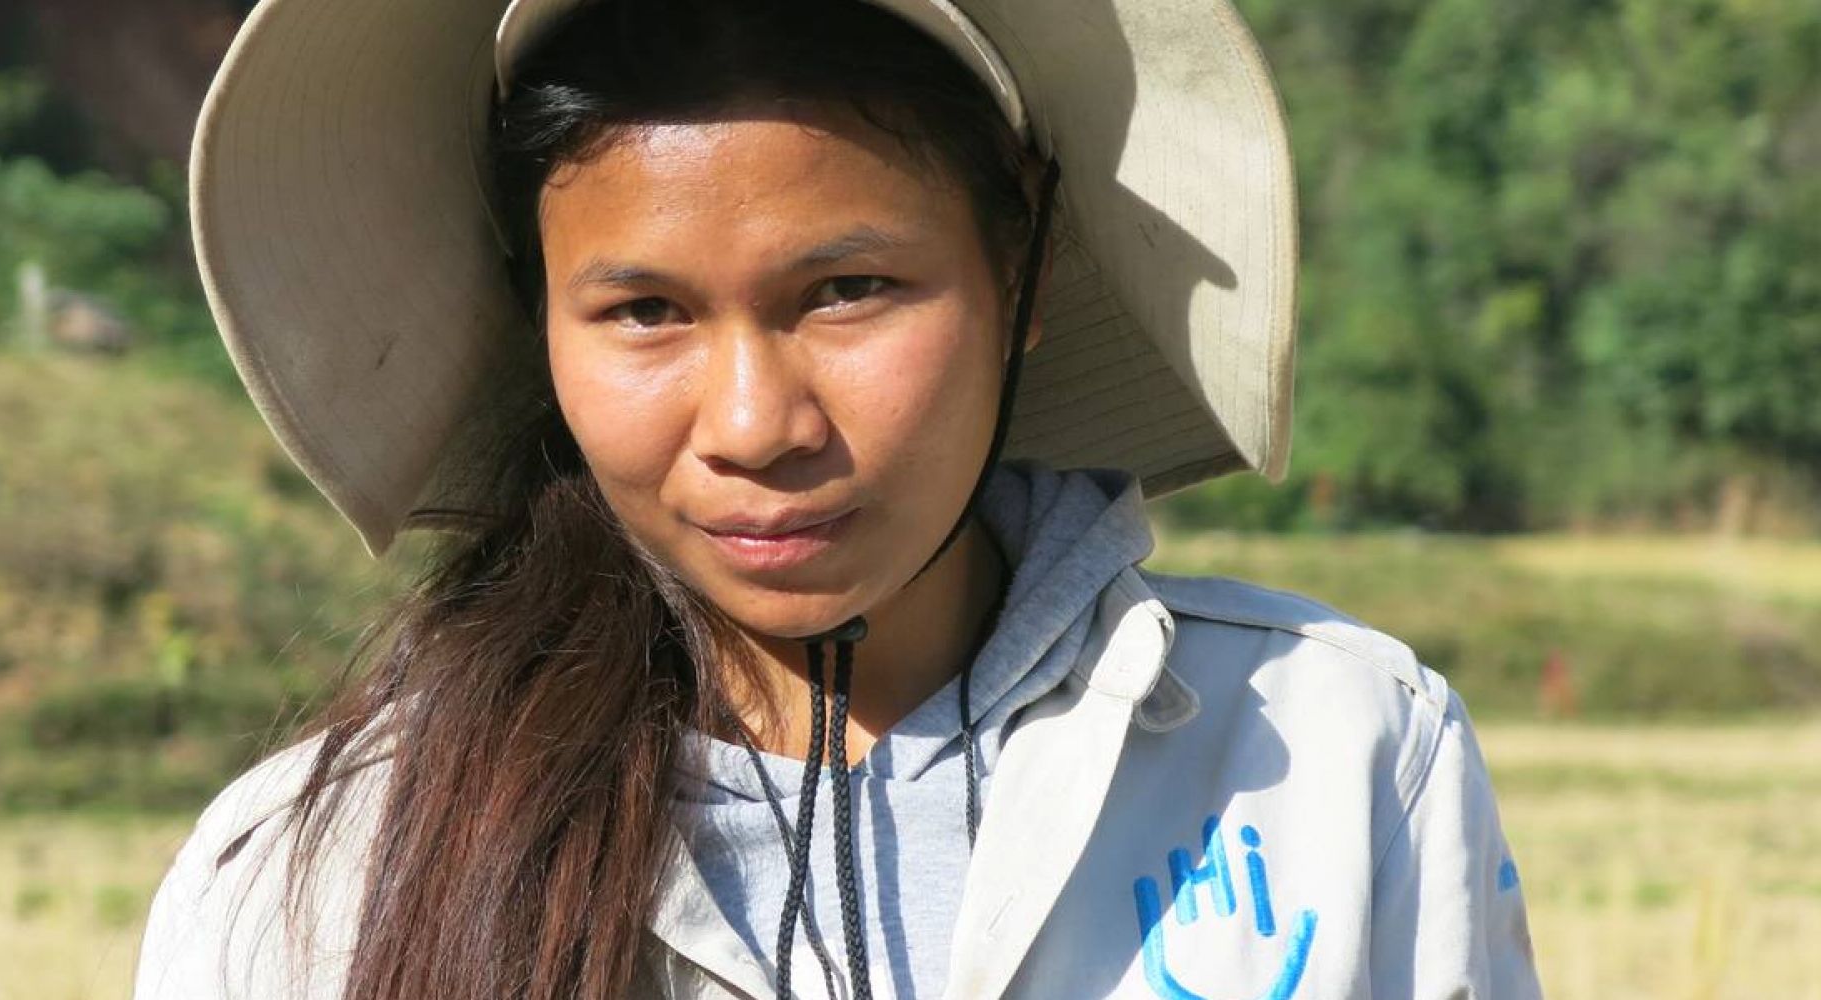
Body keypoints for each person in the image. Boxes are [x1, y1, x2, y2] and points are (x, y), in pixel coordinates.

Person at [138, 0, 1543, 997]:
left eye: (849, 291)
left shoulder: (1332, 757)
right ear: (539, 323)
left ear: (1027, 268)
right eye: (642, 312)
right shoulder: (319, 875)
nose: (755, 426)